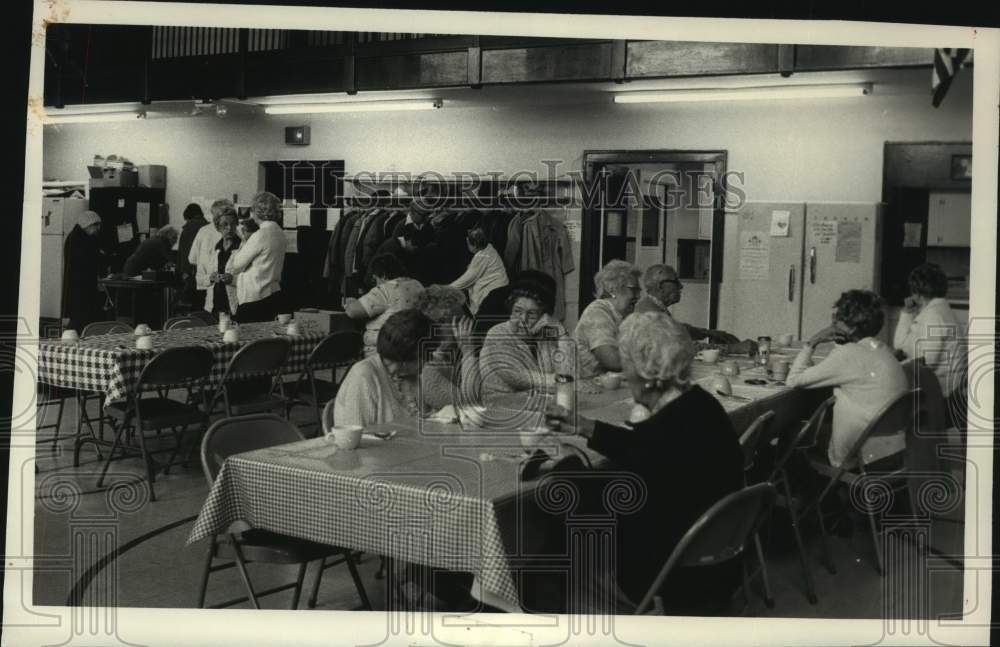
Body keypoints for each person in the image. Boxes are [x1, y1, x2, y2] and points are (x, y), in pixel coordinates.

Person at [541, 311, 743, 614]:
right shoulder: (701, 406)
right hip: (714, 564)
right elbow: (645, 450)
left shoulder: (660, 433)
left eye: (627, 365)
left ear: (648, 374)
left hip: (666, 576)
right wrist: (584, 426)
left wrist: (565, 463)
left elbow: (597, 495)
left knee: (543, 559)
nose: (624, 374)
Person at [788, 290, 909, 467]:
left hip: (859, 455)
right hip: (892, 450)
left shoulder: (847, 355)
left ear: (851, 327)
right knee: (822, 426)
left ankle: (816, 493)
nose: (833, 323)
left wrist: (812, 342)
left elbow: (793, 379)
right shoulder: (882, 349)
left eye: (837, 319)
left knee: (793, 436)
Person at [333, 309, 433, 427]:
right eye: (427, 355)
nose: (429, 360)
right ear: (408, 357)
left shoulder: (408, 375)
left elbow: (423, 422)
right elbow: (361, 437)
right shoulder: (364, 375)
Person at [479, 276, 574, 399]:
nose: (523, 319)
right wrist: (562, 381)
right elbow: (517, 377)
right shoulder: (497, 333)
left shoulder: (546, 335)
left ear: (542, 316)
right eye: (517, 311)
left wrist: (562, 334)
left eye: (531, 314)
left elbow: (570, 373)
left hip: (538, 404)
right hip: (501, 407)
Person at [634, 264, 755, 354]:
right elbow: (682, 347)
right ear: (661, 286)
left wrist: (706, 332)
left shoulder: (651, 305)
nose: (681, 286)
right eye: (675, 281)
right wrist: (734, 348)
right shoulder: (650, 313)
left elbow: (677, 329)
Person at [893, 263, 967, 406]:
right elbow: (901, 345)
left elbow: (927, 361)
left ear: (917, 293)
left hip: (943, 390)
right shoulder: (938, 310)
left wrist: (898, 366)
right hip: (945, 383)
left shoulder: (933, 314)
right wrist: (906, 313)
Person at [223, 192, 287, 323]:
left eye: (252, 210)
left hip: (255, 296)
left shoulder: (260, 235)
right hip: (272, 293)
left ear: (258, 212)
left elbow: (236, 265)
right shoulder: (280, 233)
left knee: (246, 340)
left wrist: (243, 241)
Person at [345, 254, 425, 356]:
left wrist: (351, 302)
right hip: (413, 345)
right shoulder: (417, 284)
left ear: (383, 275)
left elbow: (352, 312)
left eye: (375, 279)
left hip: (385, 348)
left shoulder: (386, 289)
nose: (376, 284)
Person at [415, 285, 480, 411]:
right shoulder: (426, 368)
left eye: (464, 319)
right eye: (455, 321)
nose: (465, 326)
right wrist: (468, 353)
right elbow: (470, 406)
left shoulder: (456, 354)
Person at [573, 260, 641, 378]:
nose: (638, 296)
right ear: (612, 289)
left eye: (638, 291)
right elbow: (612, 360)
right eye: (633, 289)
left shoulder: (622, 315)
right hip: (587, 386)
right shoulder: (597, 312)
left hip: (610, 385)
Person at [62, 210, 107, 331]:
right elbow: (86, 259)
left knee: (83, 316)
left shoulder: (82, 237)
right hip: (79, 285)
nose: (98, 228)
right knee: (80, 317)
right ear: (86, 224)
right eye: (95, 225)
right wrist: (99, 255)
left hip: (83, 283)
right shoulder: (78, 239)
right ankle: (69, 340)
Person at [448, 227, 509, 315]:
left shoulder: (483, 256)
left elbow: (467, 279)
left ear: (475, 245)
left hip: (494, 293)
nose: (467, 246)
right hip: (499, 289)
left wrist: (447, 288)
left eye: (468, 243)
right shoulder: (488, 248)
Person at [188, 199, 229, 313]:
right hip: (225, 285)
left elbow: (192, 259)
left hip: (206, 283)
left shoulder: (203, 231)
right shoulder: (235, 231)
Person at [203, 209, 241, 319]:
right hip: (214, 305)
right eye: (225, 224)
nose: (229, 228)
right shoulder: (214, 247)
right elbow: (202, 277)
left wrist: (232, 279)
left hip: (234, 305)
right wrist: (210, 277)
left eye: (233, 224)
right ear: (218, 227)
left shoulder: (243, 247)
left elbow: (251, 278)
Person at [176, 203, 209, 310]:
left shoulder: (188, 228)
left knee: (191, 304)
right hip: (206, 271)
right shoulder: (208, 226)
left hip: (192, 270)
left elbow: (184, 251)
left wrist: (183, 271)